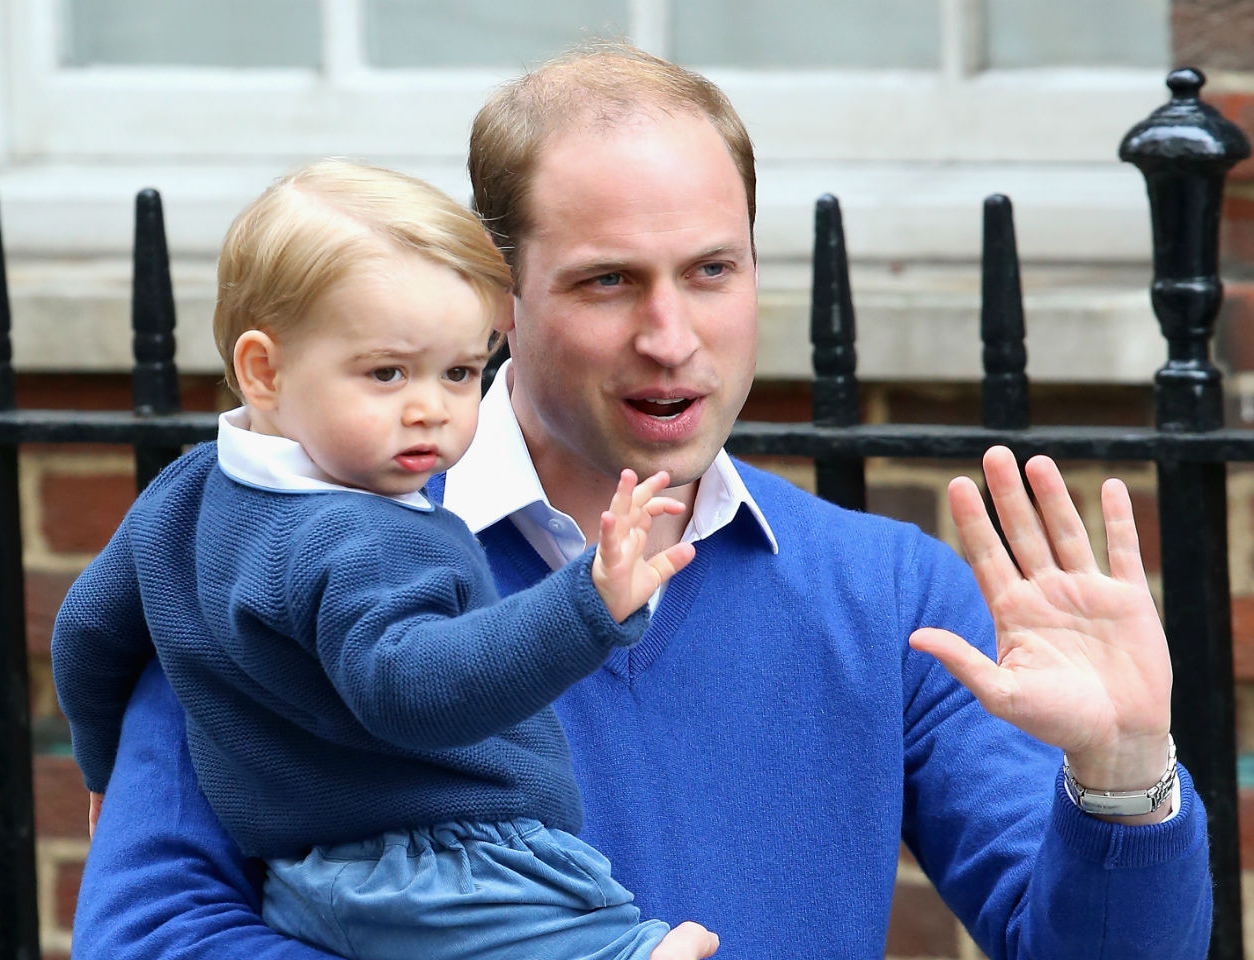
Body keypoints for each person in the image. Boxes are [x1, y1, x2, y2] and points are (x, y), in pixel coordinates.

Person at [69, 44, 1213, 960]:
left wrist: (1121, 775)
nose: (670, 339)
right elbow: (152, 934)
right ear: (499, 299)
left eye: (712, 270)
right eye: (608, 280)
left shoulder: (887, 591)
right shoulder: (268, 549)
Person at [52, 159, 720, 960]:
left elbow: (88, 631)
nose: (430, 409)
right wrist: (588, 603)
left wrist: (101, 767)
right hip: (445, 867)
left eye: (461, 372)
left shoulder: (185, 493)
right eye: (386, 372)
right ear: (264, 370)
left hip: (306, 877)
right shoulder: (365, 535)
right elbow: (413, 688)